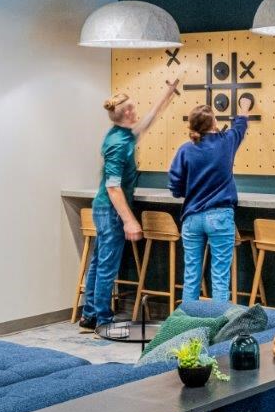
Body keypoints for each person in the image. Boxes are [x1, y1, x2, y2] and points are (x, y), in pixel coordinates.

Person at [80, 81, 180, 330]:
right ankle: (103, 319)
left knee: (98, 262)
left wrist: (167, 93)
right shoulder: (119, 144)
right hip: (110, 210)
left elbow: (149, 119)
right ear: (125, 113)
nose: (137, 110)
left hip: (104, 208)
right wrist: (129, 219)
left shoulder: (122, 134)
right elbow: (113, 187)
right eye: (133, 107)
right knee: (106, 265)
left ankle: (90, 313)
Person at [168, 95, 253, 303]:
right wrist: (244, 105)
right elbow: (241, 125)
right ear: (214, 123)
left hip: (192, 218)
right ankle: (218, 329)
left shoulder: (185, 149)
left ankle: (187, 329)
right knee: (220, 277)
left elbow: (175, 185)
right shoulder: (226, 143)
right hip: (220, 216)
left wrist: (186, 192)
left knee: (191, 276)